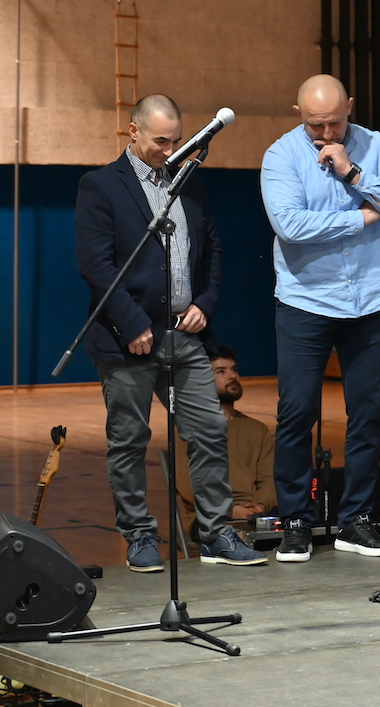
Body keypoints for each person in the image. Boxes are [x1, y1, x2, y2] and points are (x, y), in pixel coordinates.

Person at [75, 94, 265, 570]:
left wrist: (205, 303)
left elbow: (212, 251)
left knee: (210, 430)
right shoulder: (101, 185)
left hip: (185, 335)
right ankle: (140, 536)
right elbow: (97, 266)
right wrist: (132, 323)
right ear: (133, 131)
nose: (170, 149)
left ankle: (216, 533)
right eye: (161, 140)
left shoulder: (189, 183)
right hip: (128, 339)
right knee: (129, 440)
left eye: (177, 140)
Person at [261, 74, 380, 563]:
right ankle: (295, 521)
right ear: (298, 114)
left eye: (334, 122)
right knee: (296, 413)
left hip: (370, 299)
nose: (327, 134)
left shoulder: (377, 147)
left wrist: (354, 174)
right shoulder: (281, 156)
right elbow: (291, 226)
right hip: (306, 300)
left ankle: (357, 520)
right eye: (316, 125)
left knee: (367, 415)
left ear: (350, 106)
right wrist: (365, 215)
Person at [175, 347, 277, 540]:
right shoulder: (188, 429)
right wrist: (230, 510)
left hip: (254, 513)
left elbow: (269, 478)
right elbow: (186, 483)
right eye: (221, 371)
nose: (232, 376)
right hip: (209, 516)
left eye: (234, 370)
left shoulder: (257, 429)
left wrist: (260, 506)